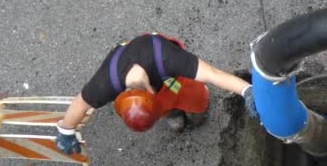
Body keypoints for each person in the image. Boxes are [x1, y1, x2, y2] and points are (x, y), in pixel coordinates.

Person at [56, 33, 256, 154]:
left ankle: (198, 114)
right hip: (159, 94)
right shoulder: (104, 84)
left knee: (197, 101)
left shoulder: (168, 59)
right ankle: (174, 113)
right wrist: (66, 130)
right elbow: (81, 103)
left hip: (173, 80)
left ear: (153, 92)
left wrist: (246, 90)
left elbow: (212, 74)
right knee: (172, 117)